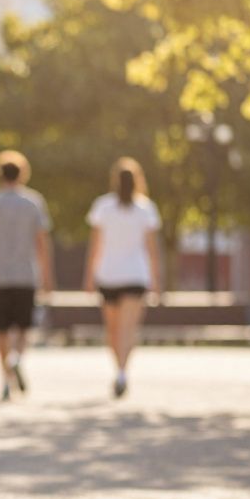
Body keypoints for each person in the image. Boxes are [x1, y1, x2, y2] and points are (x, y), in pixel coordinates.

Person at [0, 151, 53, 401]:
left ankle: (6, 377)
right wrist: (47, 276)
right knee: (23, 328)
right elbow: (41, 243)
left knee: (1, 331)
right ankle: (17, 358)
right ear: (23, 173)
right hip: (26, 275)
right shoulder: (33, 203)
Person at [83, 158, 161, 398]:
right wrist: (157, 280)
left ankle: (118, 369)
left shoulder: (102, 207)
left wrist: (89, 276)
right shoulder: (146, 209)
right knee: (128, 329)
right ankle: (123, 372)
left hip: (109, 275)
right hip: (136, 275)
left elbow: (94, 246)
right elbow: (152, 250)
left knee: (113, 330)